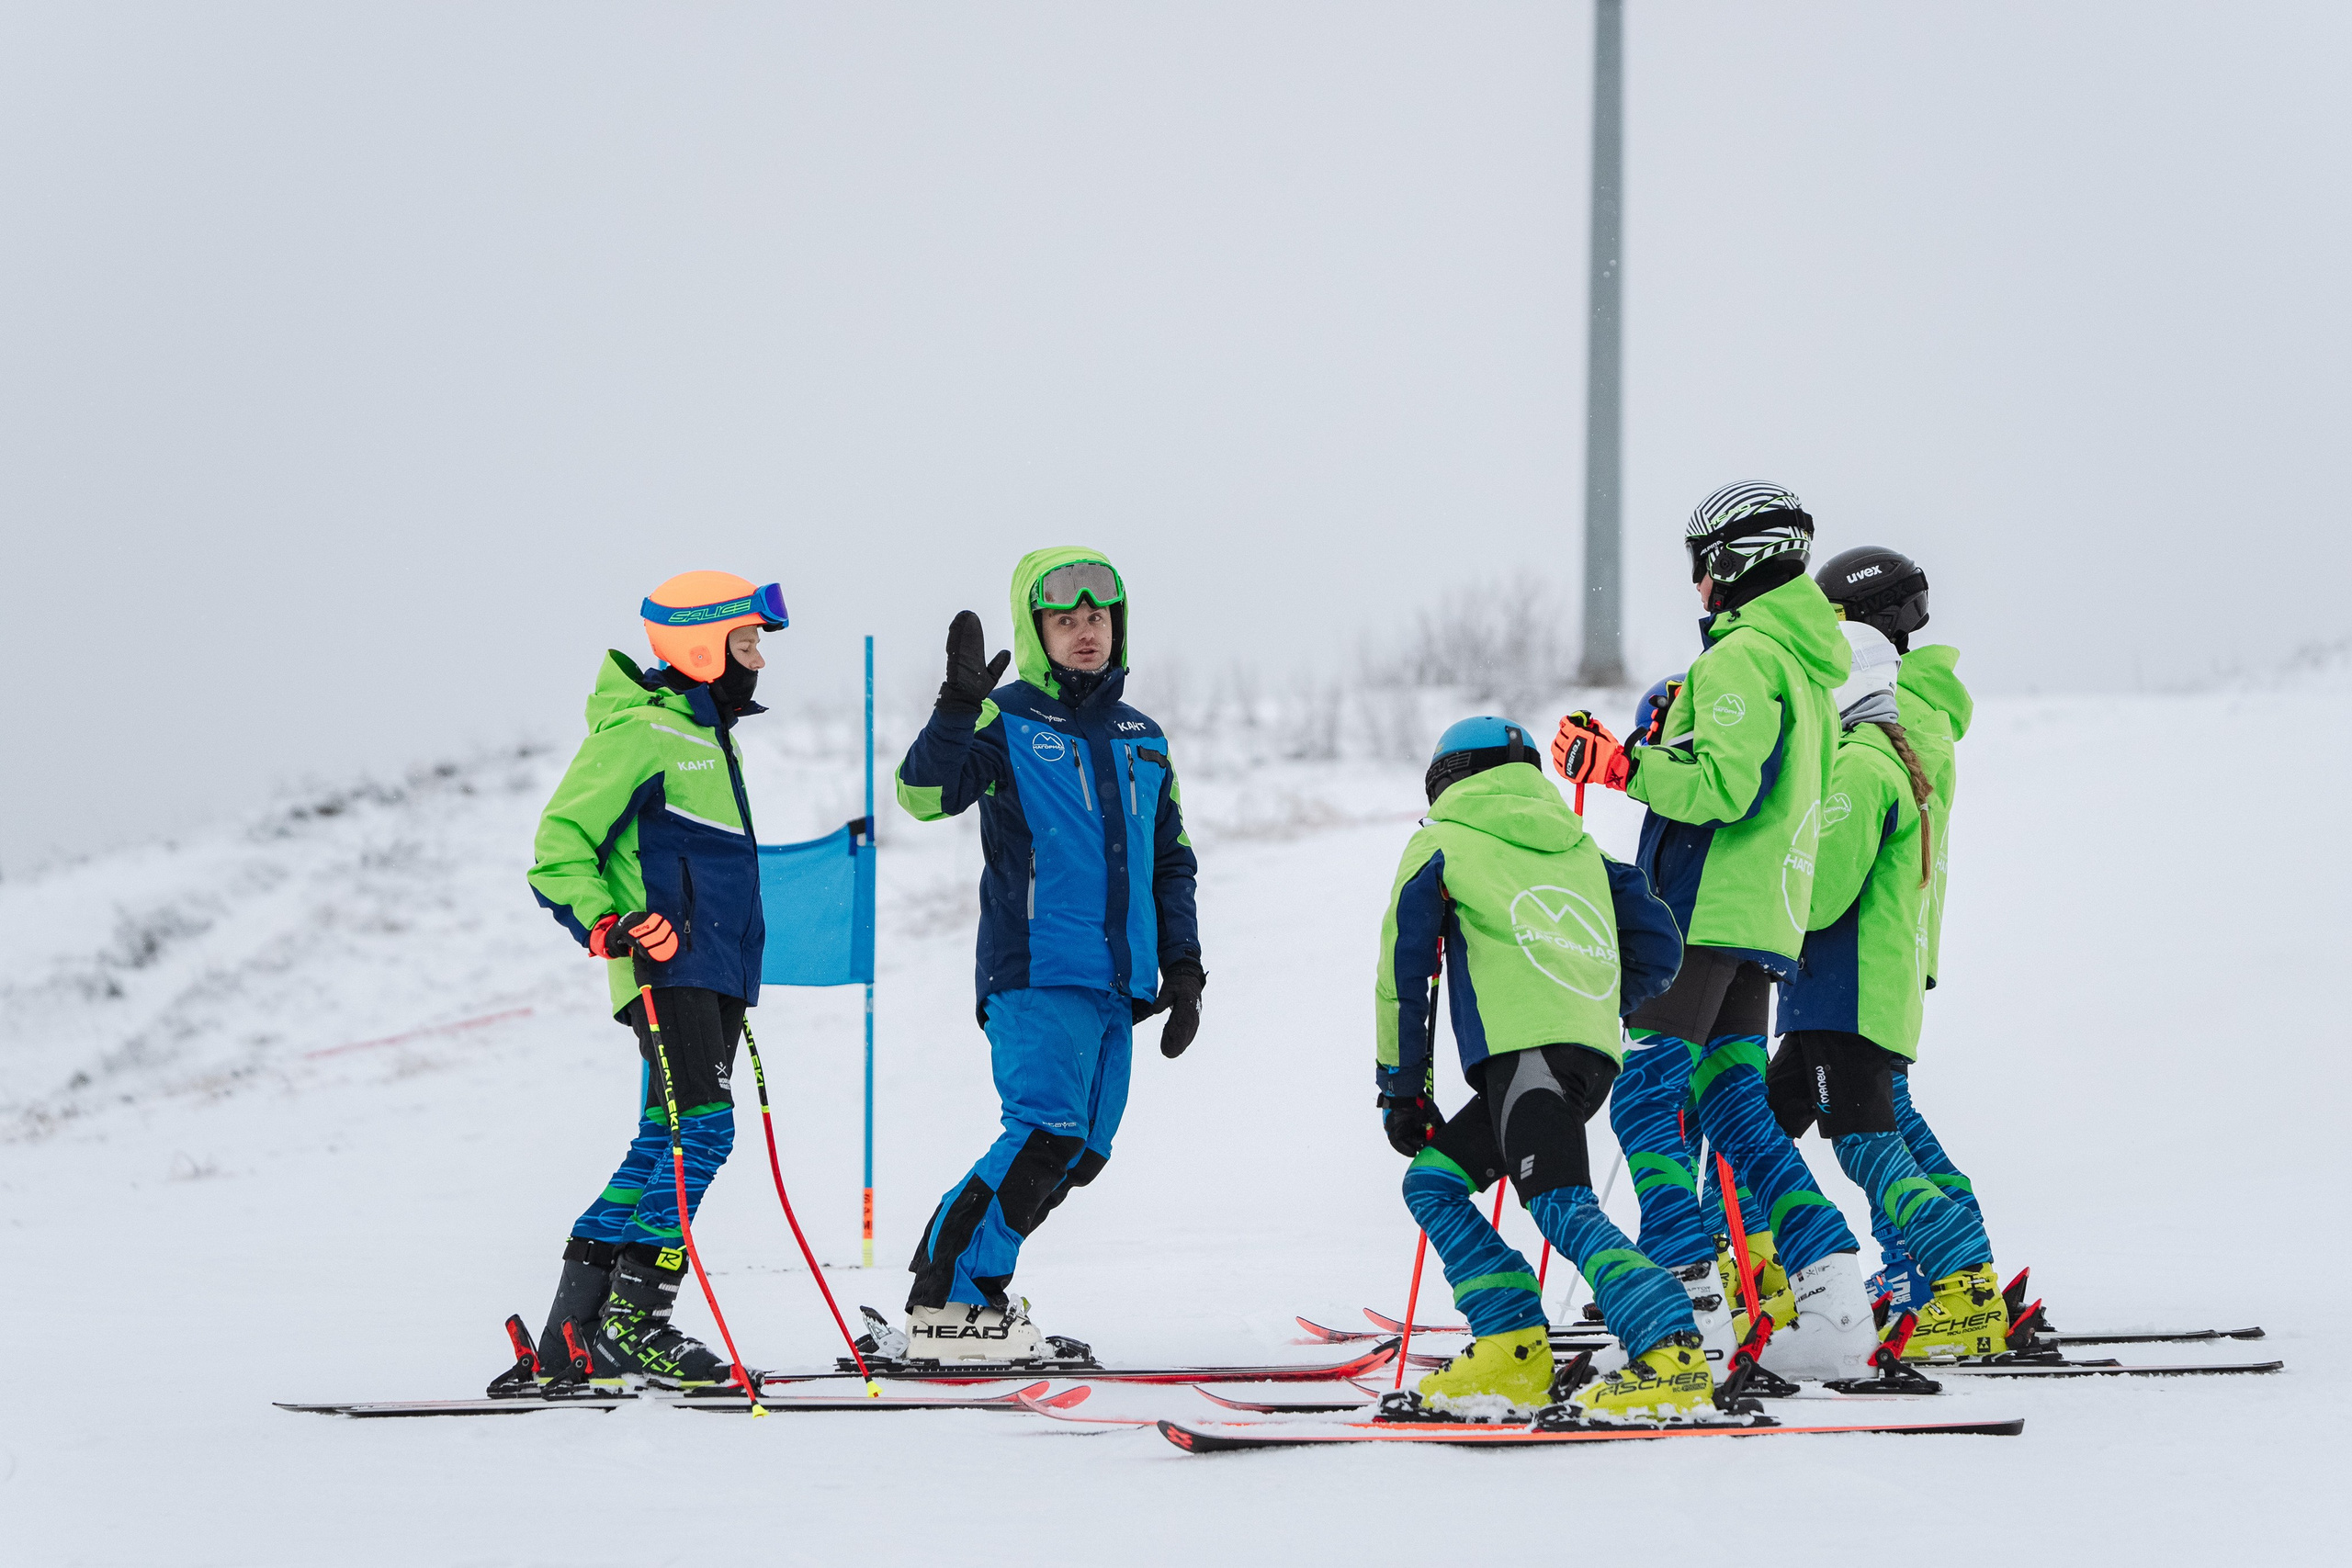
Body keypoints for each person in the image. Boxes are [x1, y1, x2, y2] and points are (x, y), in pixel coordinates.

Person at [1553, 480, 1878, 1382]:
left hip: (1701, 915)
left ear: (1730, 562)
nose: (1695, 587)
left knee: (1646, 1101)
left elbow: (1720, 789)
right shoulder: (1807, 672)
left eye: (1699, 567)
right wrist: (1659, 749)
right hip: (1760, 919)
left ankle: (1681, 1310)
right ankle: (1833, 1298)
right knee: (1734, 1108)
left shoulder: (1740, 660)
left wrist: (1616, 763)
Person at [890, 548, 1203, 1362]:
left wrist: (1187, 967)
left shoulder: (1145, 737)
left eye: (1097, 618)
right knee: (1042, 1131)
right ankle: (948, 1302)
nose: (1085, 632)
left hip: (1119, 984)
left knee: (1082, 1150)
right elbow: (923, 796)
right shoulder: (1007, 719)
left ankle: (974, 1291)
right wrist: (959, 706)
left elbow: (1170, 859)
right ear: (1038, 633)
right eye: (1066, 620)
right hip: (1035, 970)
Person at [1375, 716, 1708, 1421]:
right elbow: (1659, 940)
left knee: (1559, 1200)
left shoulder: (1441, 841)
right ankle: (1513, 1345)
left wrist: (1403, 1091)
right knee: (1433, 1181)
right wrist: (1596, 998)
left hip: (1522, 1053)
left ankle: (1671, 1346)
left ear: (1445, 778)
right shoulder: (1580, 846)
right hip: (1584, 1052)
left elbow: (1406, 975)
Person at [522, 571, 786, 1389]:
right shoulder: (642, 732)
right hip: (668, 970)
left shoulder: (710, 738)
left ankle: (572, 1331)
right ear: (704, 649)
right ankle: (637, 1321)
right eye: (746, 644)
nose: (758, 663)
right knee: (704, 1133)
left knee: (661, 1144)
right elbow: (559, 845)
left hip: (714, 974)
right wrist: (610, 923)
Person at [1772, 621, 2007, 1359]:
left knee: (1867, 1145)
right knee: (1766, 1125)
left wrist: (1766, 891)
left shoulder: (1862, 766)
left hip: (1847, 991)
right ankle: (1753, 1271)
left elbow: (1822, 894)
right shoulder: (1879, 758)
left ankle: (1961, 1283)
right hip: (1845, 991)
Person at [1815, 546, 1992, 1316]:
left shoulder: (1890, 720)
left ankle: (1948, 1272)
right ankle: (1951, 1265)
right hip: (1890, 943)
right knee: (1887, 1117)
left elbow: (1850, 832)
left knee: (1867, 1128)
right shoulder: (1916, 708)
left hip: (1863, 945)